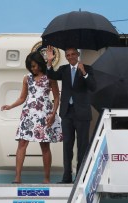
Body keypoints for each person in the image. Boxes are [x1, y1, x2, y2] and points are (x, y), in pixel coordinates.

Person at [1, 51, 62, 184]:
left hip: (45, 114)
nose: (33, 68)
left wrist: (53, 114)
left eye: (34, 65)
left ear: (40, 63)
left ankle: (46, 178)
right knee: (22, 143)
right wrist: (10, 106)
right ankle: (17, 177)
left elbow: (57, 97)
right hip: (28, 114)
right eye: (30, 66)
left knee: (45, 146)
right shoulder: (26, 78)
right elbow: (22, 98)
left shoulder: (50, 77)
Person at [46, 46, 97, 183]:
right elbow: (51, 75)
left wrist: (84, 73)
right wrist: (49, 61)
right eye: (67, 55)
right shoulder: (63, 69)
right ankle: (67, 177)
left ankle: (80, 177)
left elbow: (93, 86)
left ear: (78, 54)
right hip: (67, 113)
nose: (70, 57)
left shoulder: (88, 68)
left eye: (73, 54)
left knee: (82, 146)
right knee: (67, 145)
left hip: (82, 113)